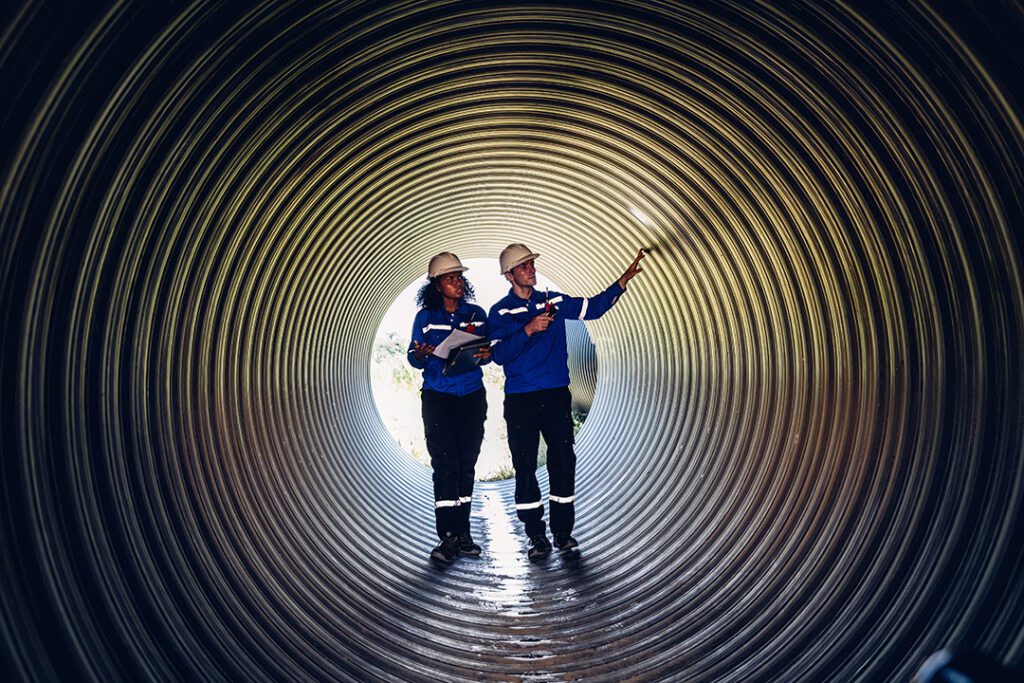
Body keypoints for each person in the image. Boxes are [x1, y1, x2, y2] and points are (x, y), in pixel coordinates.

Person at [487, 243, 645, 559]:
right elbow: (498, 354)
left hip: (556, 395)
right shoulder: (500, 312)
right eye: (523, 266)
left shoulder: (554, 302)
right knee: (525, 466)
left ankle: (562, 534)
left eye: (532, 264)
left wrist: (622, 281)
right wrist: (529, 329)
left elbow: (594, 308)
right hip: (521, 399)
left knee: (563, 461)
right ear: (509, 276)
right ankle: (536, 536)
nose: (531, 270)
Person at [407, 252, 492, 564]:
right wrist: (421, 354)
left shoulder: (477, 314)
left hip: (471, 395)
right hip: (438, 397)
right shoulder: (425, 318)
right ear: (436, 285)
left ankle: (463, 534)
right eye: (450, 278)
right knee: (445, 466)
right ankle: (447, 537)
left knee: (466, 464)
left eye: (459, 277)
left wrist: (485, 354)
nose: (458, 282)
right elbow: (413, 357)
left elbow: (487, 353)